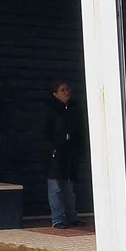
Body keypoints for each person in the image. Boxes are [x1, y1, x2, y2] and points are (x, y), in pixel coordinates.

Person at [43, 82, 83, 229]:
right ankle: (57, 219)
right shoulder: (50, 110)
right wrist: (52, 148)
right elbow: (44, 131)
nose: (66, 92)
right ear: (55, 94)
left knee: (70, 188)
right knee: (56, 188)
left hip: (70, 153)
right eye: (62, 90)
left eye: (67, 89)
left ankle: (72, 217)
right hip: (56, 154)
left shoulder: (73, 108)